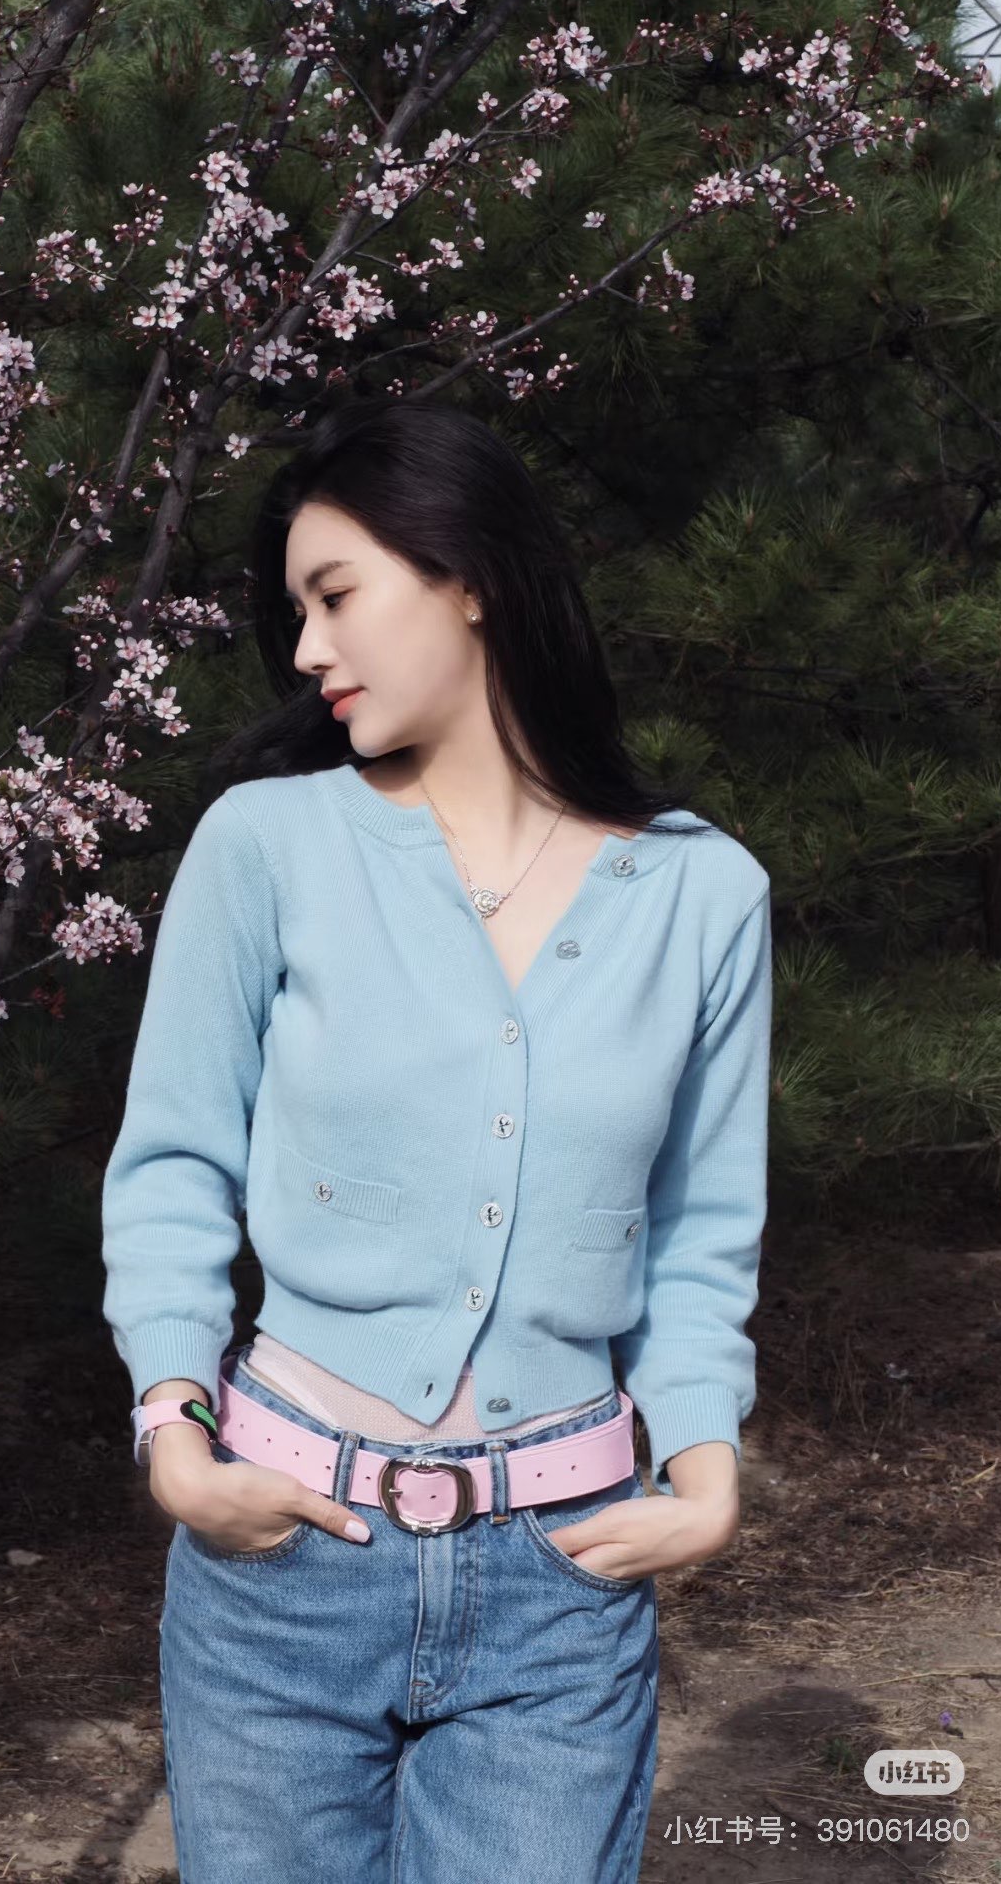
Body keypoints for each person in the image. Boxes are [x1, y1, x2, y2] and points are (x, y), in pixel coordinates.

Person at [100, 397, 774, 1883]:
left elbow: (700, 1232)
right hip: (284, 1558)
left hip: (563, 1578)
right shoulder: (266, 844)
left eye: (336, 595)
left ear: (467, 574)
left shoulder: (705, 893)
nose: (307, 649)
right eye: (296, 612)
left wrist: (704, 1473)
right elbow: (172, 1168)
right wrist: (175, 1436)